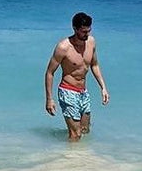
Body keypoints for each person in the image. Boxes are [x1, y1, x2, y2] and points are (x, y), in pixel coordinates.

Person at [44, 11, 109, 140]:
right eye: (84, 32)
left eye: (89, 31)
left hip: (83, 92)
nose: (87, 34)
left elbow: (94, 65)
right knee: (76, 135)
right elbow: (50, 73)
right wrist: (49, 99)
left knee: (85, 130)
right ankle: (70, 159)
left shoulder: (91, 42)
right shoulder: (63, 47)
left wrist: (103, 88)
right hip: (68, 91)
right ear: (75, 29)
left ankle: (80, 156)